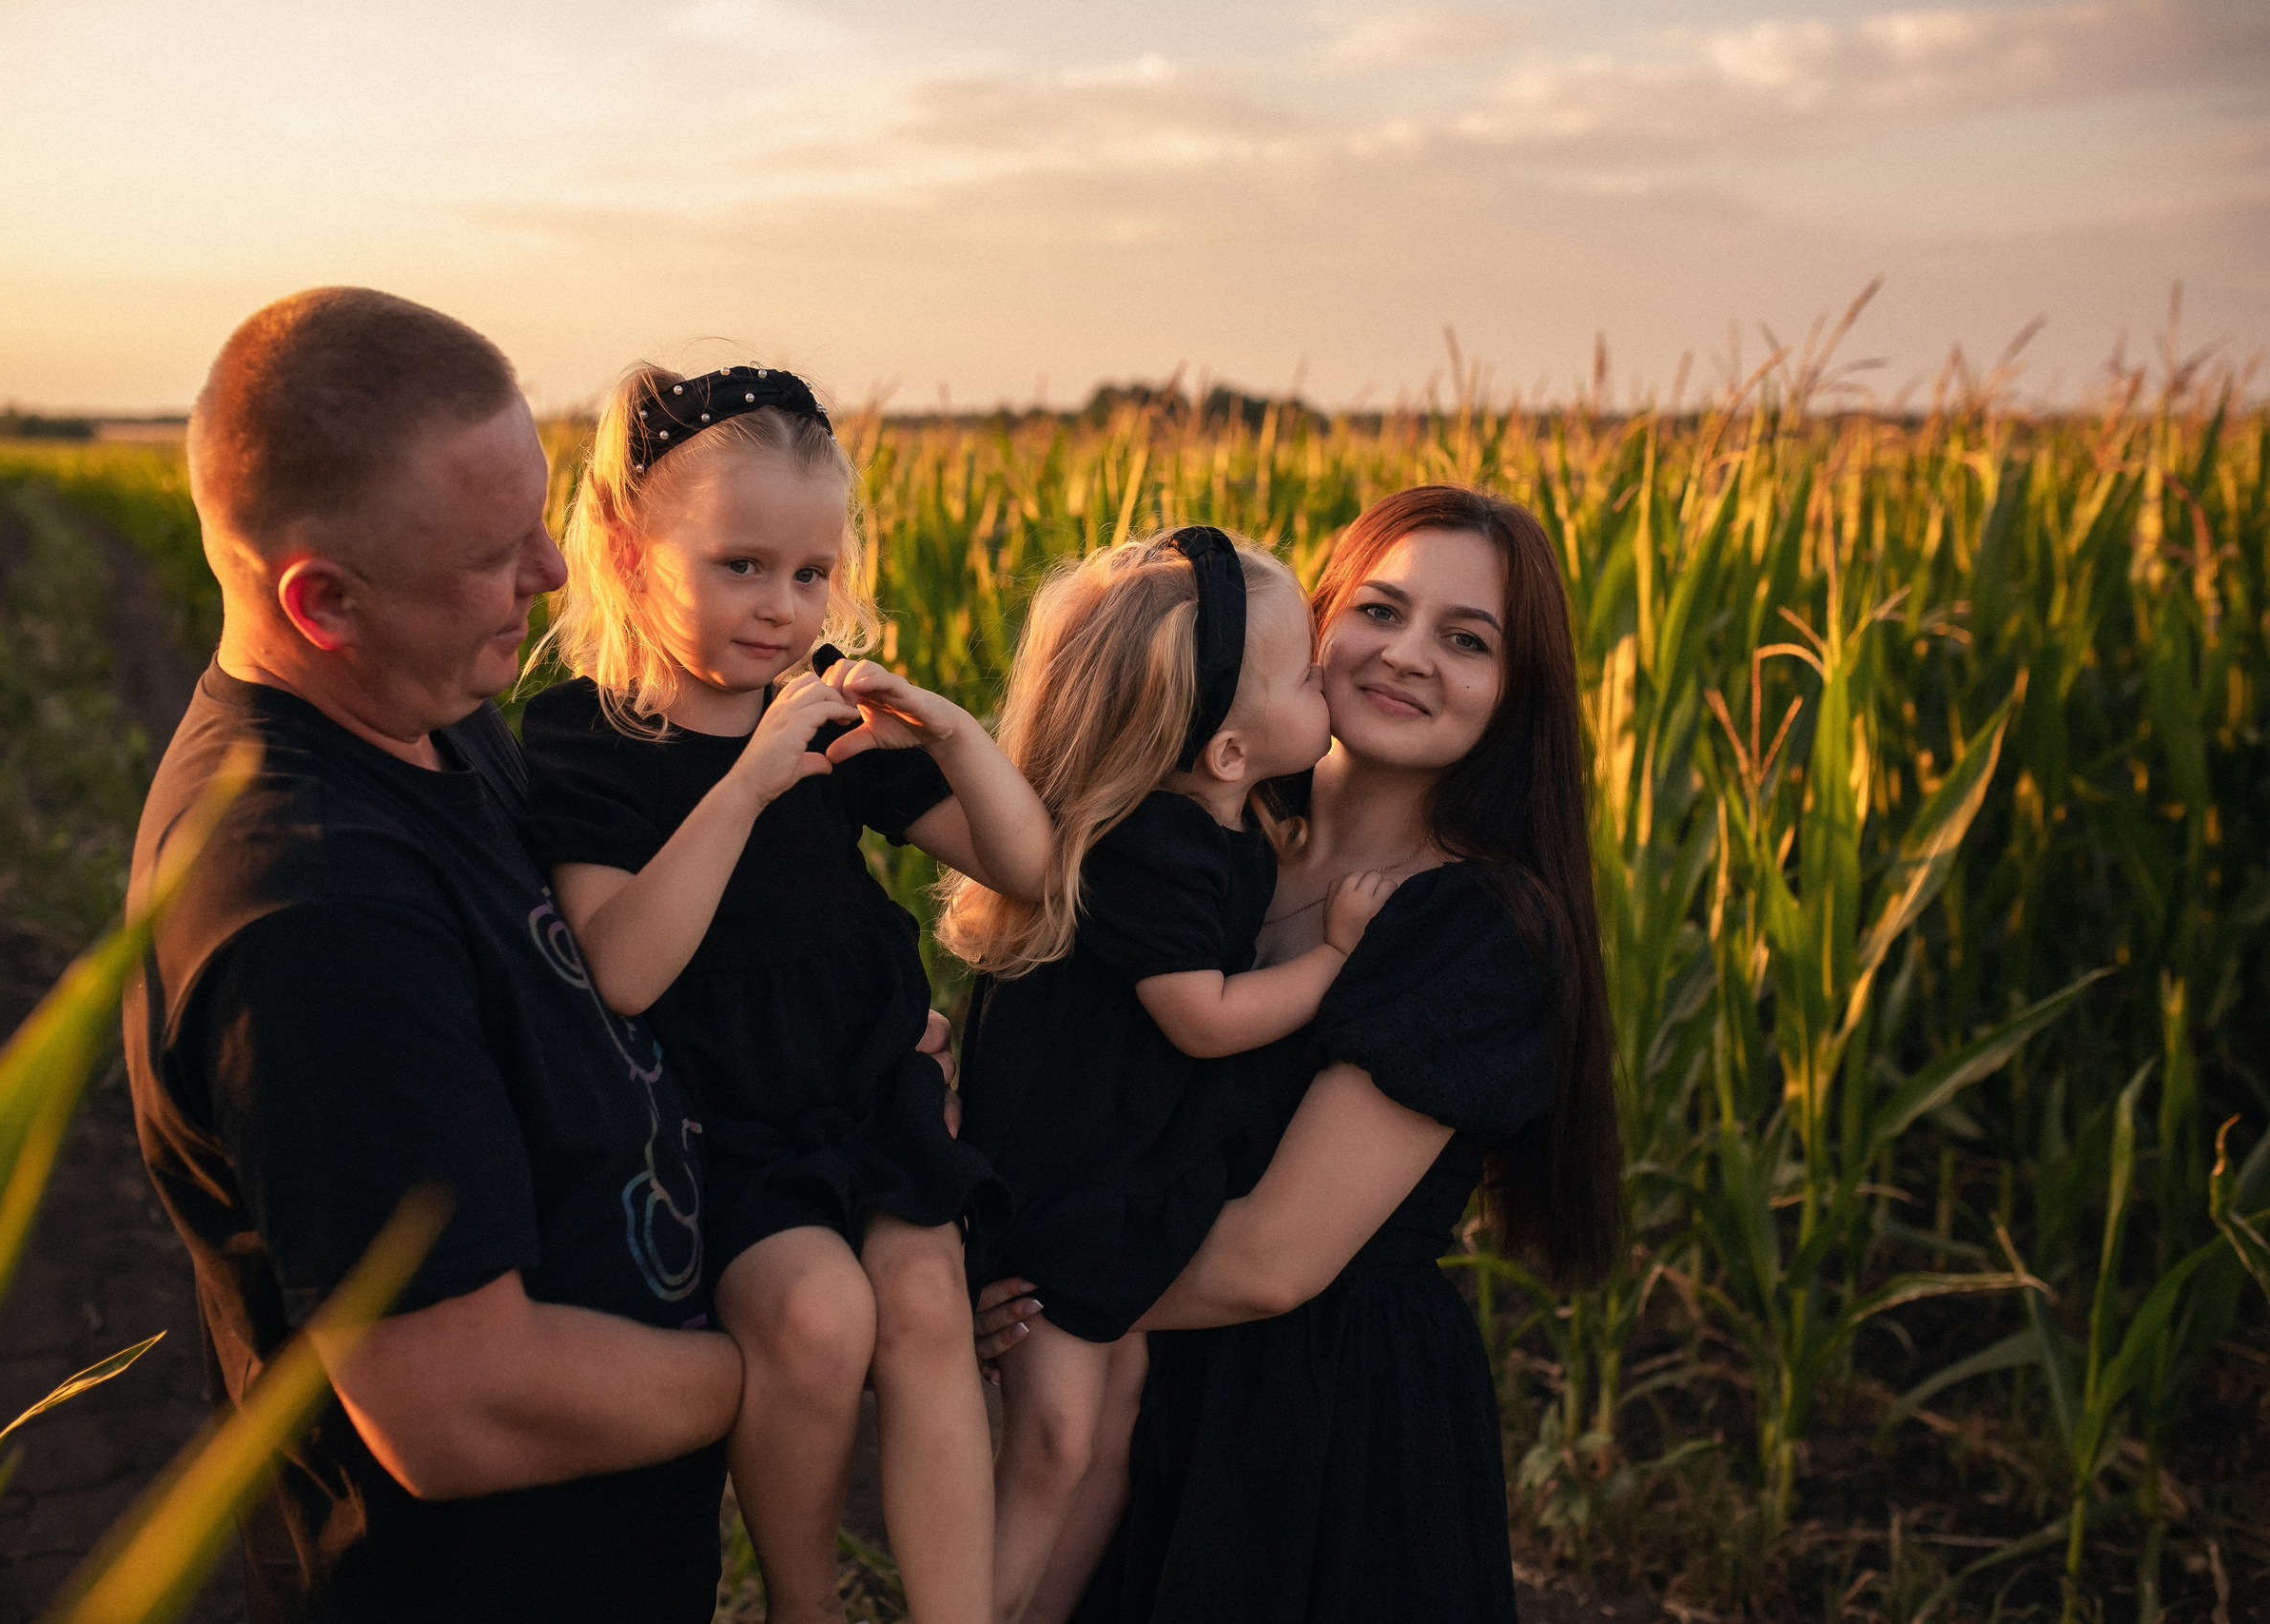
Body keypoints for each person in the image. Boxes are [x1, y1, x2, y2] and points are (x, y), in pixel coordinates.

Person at [127, 288, 937, 1623]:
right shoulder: (315, 913)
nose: (556, 575)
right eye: (496, 553)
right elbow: (464, 1405)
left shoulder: (435, 722)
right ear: (322, 599)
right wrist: (792, 1355)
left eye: (543, 520)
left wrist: (865, 1053)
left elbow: (579, 1002)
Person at [978, 484, 1625, 1624]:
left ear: (1514, 696)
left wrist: (1025, 1291)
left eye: (1466, 641)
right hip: (1125, 1391)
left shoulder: (1472, 932)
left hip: (1311, 1444)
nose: (1408, 655)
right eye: (1379, 610)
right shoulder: (1196, 844)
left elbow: (1272, 1259)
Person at [517, 362, 1052, 1624]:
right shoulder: (586, 739)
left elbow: (1026, 872)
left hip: (863, 1088)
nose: (782, 605)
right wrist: (754, 777)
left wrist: (958, 735)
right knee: (816, 1313)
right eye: (740, 564)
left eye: (810, 573)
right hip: (722, 1125)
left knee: (923, 1303)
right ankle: (801, 1603)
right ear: (633, 550)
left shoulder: (828, 724)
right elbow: (625, 966)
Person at [935, 527, 1392, 1623]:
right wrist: (1333, 960)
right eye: (1300, 669)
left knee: (1112, 1421)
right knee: (1051, 1435)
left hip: (1119, 1168)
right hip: (1066, 1181)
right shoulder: (1154, 846)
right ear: (1228, 752)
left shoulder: (1227, 825)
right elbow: (1199, 1018)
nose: (1328, 668)